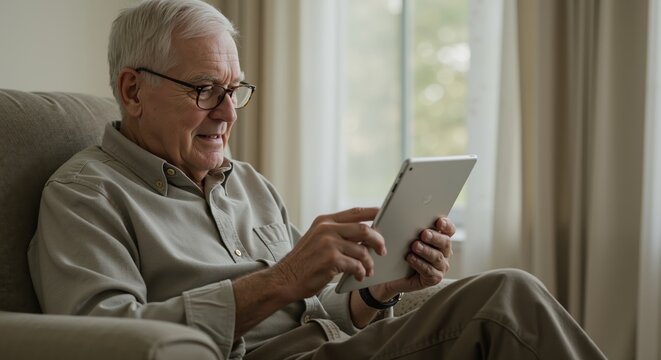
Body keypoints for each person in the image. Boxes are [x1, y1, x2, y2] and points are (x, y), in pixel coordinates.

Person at [28, 0, 606, 359]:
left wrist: (379, 292)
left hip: (331, 349)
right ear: (133, 91)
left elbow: (314, 316)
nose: (228, 113)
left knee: (504, 298)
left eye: (235, 91)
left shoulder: (248, 184)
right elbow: (102, 339)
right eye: (205, 89)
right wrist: (279, 281)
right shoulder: (84, 196)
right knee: (506, 298)